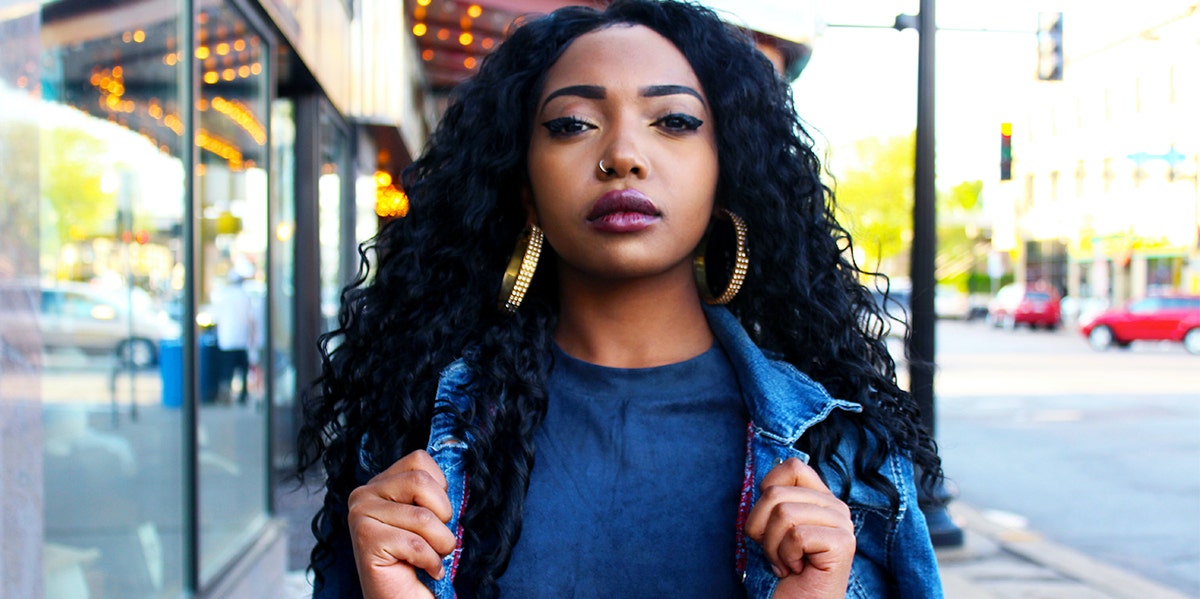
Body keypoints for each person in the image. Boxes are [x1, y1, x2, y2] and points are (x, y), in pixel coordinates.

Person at [298, 1, 944, 597]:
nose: (623, 155)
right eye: (573, 124)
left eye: (674, 121)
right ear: (524, 185)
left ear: (727, 171)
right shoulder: (413, 437)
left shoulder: (845, 456)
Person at [211, 268, 256, 404]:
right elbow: (251, 319)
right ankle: (243, 395)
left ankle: (227, 394)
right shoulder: (245, 296)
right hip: (242, 338)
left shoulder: (224, 295)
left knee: (227, 368)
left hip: (227, 339)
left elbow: (216, 318)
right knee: (243, 368)